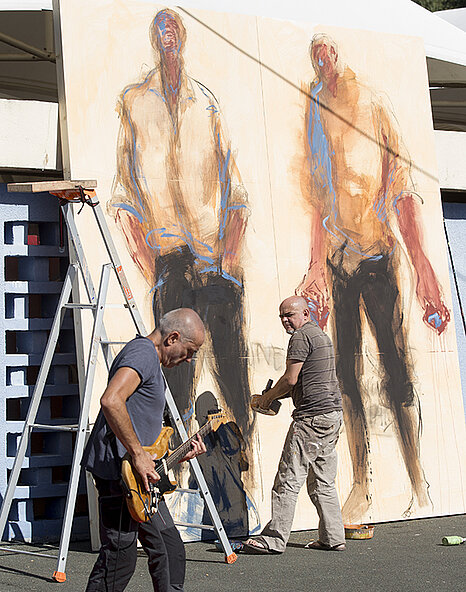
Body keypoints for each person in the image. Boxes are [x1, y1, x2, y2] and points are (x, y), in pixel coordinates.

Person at [297, 34, 450, 522]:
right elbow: (319, 196)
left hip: (379, 257)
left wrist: (424, 270)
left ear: (339, 58)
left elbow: (402, 191)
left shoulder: (373, 105)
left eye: (328, 53)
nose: (323, 62)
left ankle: (419, 479)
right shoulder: (315, 108)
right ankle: (362, 481)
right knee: (346, 374)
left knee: (396, 369)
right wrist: (316, 266)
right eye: (316, 56)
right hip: (340, 262)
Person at [108, 8, 254, 470]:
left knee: (234, 377)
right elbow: (123, 200)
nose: (166, 35)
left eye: (173, 27)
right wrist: (151, 267)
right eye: (159, 29)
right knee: (173, 389)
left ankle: (245, 470)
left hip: (216, 261)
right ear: (154, 41)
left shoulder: (205, 103)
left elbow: (236, 192)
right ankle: (171, 475)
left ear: (184, 36)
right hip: (170, 262)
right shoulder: (135, 102)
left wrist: (227, 259)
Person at [67, 308, 213, 592]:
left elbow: (143, 428)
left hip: (139, 479)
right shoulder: (142, 354)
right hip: (120, 477)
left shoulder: (150, 361)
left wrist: (174, 453)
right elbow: (111, 400)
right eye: (190, 350)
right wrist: (136, 453)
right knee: (118, 559)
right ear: (172, 338)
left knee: (169, 549)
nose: (189, 359)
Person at [245, 296, 345, 554]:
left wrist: (267, 398)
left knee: (287, 479)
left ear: (306, 313)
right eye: (281, 316)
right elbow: (306, 382)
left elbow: (290, 379)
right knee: (323, 481)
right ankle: (333, 537)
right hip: (331, 416)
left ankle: (274, 540)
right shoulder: (320, 336)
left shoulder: (300, 337)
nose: (285, 320)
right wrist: (277, 395)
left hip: (311, 419)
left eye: (289, 314)